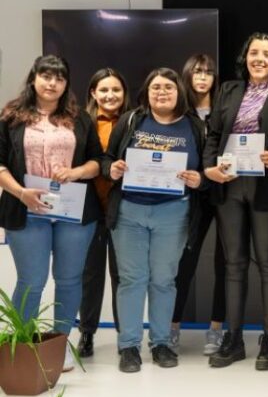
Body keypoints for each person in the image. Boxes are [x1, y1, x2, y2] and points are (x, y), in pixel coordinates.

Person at [0, 55, 103, 372]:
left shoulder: (80, 118)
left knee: (69, 280)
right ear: (33, 79)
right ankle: (21, 343)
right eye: (46, 76)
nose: (52, 83)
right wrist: (21, 193)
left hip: (73, 211)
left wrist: (75, 173)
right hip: (26, 208)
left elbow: (97, 162)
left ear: (66, 83)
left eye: (59, 78)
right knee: (31, 280)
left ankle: (61, 344)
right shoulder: (12, 117)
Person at [204, 32, 268, 371]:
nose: (259, 58)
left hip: (266, 187)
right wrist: (209, 168)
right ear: (245, 57)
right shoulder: (228, 90)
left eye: (266, 54)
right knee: (234, 264)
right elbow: (214, 135)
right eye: (254, 52)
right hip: (229, 185)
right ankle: (234, 337)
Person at [104, 68, 205, 372]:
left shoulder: (194, 126)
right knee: (132, 279)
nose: (162, 92)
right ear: (146, 92)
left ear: (179, 92)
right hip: (130, 211)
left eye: (168, 87)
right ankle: (129, 346)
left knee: (164, 280)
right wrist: (113, 169)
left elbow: (208, 170)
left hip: (174, 213)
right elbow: (107, 158)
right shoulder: (132, 120)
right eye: (156, 87)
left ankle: (161, 342)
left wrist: (199, 179)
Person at [170, 54, 227, 356]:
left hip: (226, 191)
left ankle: (216, 328)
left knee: (224, 262)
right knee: (184, 262)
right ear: (187, 75)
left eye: (209, 72)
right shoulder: (179, 112)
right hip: (190, 195)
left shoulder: (226, 108)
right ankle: (172, 326)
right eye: (197, 72)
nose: (203, 77)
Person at [77, 68, 131, 358]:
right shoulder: (81, 122)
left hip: (123, 208)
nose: (111, 95)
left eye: (116, 90)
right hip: (88, 207)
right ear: (93, 93)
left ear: (125, 94)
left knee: (123, 275)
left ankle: (127, 336)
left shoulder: (135, 121)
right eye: (104, 90)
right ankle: (87, 333)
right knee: (90, 274)